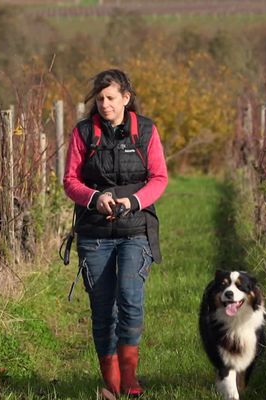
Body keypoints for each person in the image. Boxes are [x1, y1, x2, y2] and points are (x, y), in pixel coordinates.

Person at [63, 69, 168, 398]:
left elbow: (159, 178)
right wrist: (96, 199)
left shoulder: (146, 131)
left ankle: (129, 379)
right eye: (99, 98)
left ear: (126, 98)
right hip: (94, 233)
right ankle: (111, 384)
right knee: (102, 307)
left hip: (136, 229)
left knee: (130, 300)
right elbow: (70, 181)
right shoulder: (83, 133)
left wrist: (131, 201)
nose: (104, 104)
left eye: (111, 98)